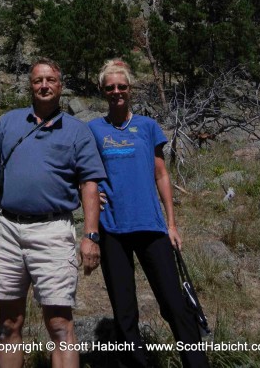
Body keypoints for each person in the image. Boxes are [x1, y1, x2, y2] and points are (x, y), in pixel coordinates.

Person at [0, 58, 106, 368]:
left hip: (52, 231)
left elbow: (89, 184)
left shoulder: (78, 131)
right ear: (30, 86)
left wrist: (91, 235)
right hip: (7, 229)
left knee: (60, 324)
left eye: (51, 80)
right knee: (9, 322)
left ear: (60, 86)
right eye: (38, 80)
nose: (45, 85)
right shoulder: (9, 122)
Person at [88, 59, 209, 368]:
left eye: (122, 86)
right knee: (124, 311)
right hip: (112, 228)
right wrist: (90, 193)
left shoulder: (147, 127)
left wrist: (171, 223)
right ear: (102, 91)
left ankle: (196, 363)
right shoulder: (93, 130)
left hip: (151, 225)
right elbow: (84, 174)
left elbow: (161, 175)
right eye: (110, 87)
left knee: (174, 303)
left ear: (131, 89)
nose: (116, 91)